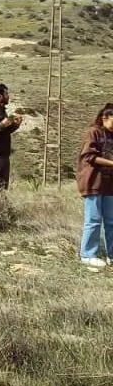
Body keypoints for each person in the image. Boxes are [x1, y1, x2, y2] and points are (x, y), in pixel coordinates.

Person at [77, 105, 113, 268]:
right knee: (94, 219)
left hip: (109, 184)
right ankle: (88, 254)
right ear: (104, 118)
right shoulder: (93, 133)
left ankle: (111, 255)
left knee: (111, 221)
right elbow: (89, 156)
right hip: (93, 181)